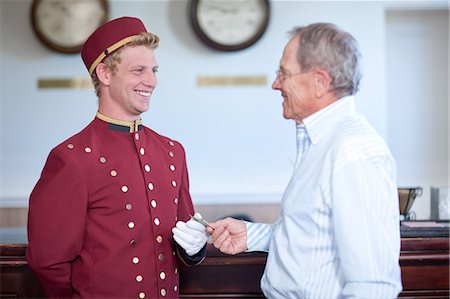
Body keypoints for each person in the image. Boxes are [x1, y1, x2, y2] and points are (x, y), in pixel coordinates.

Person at [208, 23, 402, 298]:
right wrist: (251, 235)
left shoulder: (354, 152)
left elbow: (373, 285)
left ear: (320, 82)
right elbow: (312, 234)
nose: (275, 84)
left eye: (283, 73)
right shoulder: (322, 143)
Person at [26, 16, 208, 299]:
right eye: (138, 70)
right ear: (105, 74)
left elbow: (183, 242)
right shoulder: (71, 158)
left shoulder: (172, 151)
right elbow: (48, 261)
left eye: (154, 70)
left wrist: (194, 249)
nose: (151, 81)